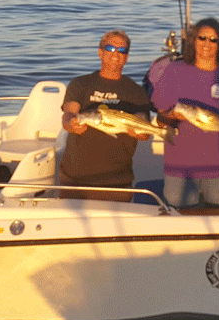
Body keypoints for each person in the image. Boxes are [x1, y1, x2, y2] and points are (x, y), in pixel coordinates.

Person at [151, 17, 219, 211]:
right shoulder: (174, 70)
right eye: (202, 38)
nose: (207, 44)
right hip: (180, 167)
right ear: (194, 40)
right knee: (180, 220)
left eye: (213, 39)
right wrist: (171, 117)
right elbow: (161, 113)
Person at [59, 30, 154, 201]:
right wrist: (71, 125)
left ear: (126, 57)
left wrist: (140, 133)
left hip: (117, 181)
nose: (116, 54)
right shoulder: (80, 83)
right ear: (100, 53)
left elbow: (144, 129)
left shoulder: (136, 91)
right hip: (75, 179)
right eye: (110, 48)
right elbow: (68, 115)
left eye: (122, 50)